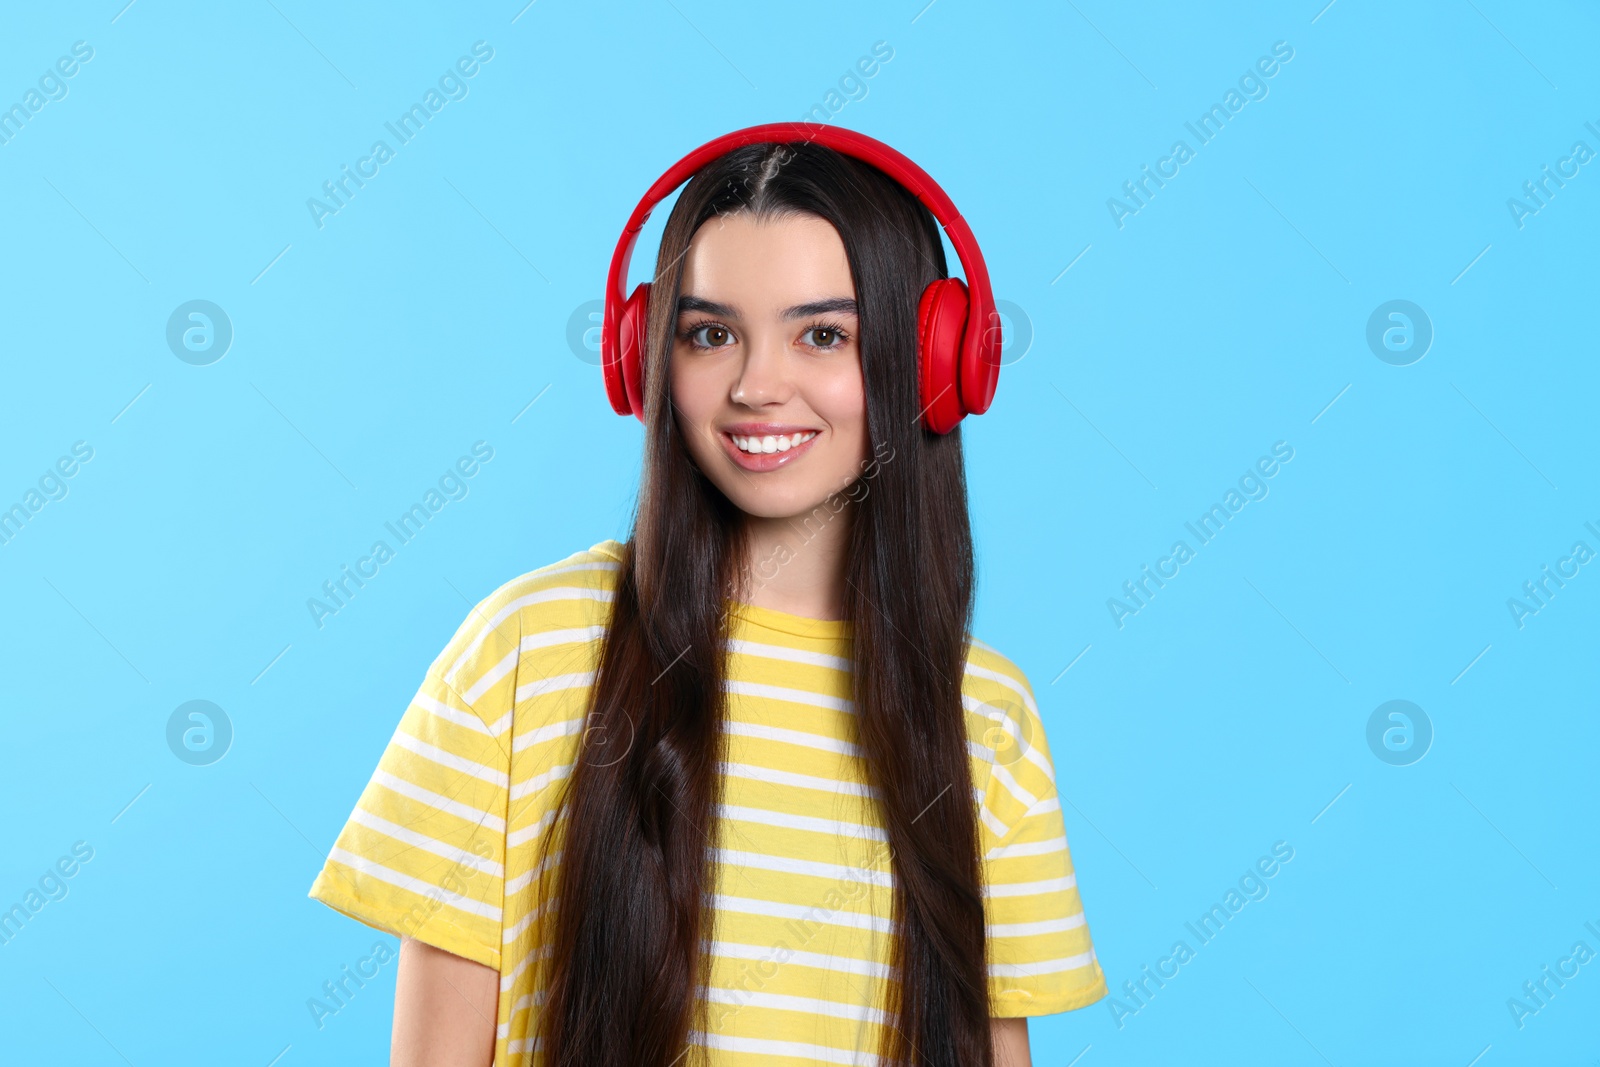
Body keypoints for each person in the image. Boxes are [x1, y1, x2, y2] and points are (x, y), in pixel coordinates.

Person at [307, 124, 1107, 1067]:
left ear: (933, 364)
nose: (758, 385)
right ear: (648, 355)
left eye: (823, 334)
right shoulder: (527, 650)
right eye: (711, 333)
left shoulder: (986, 718)